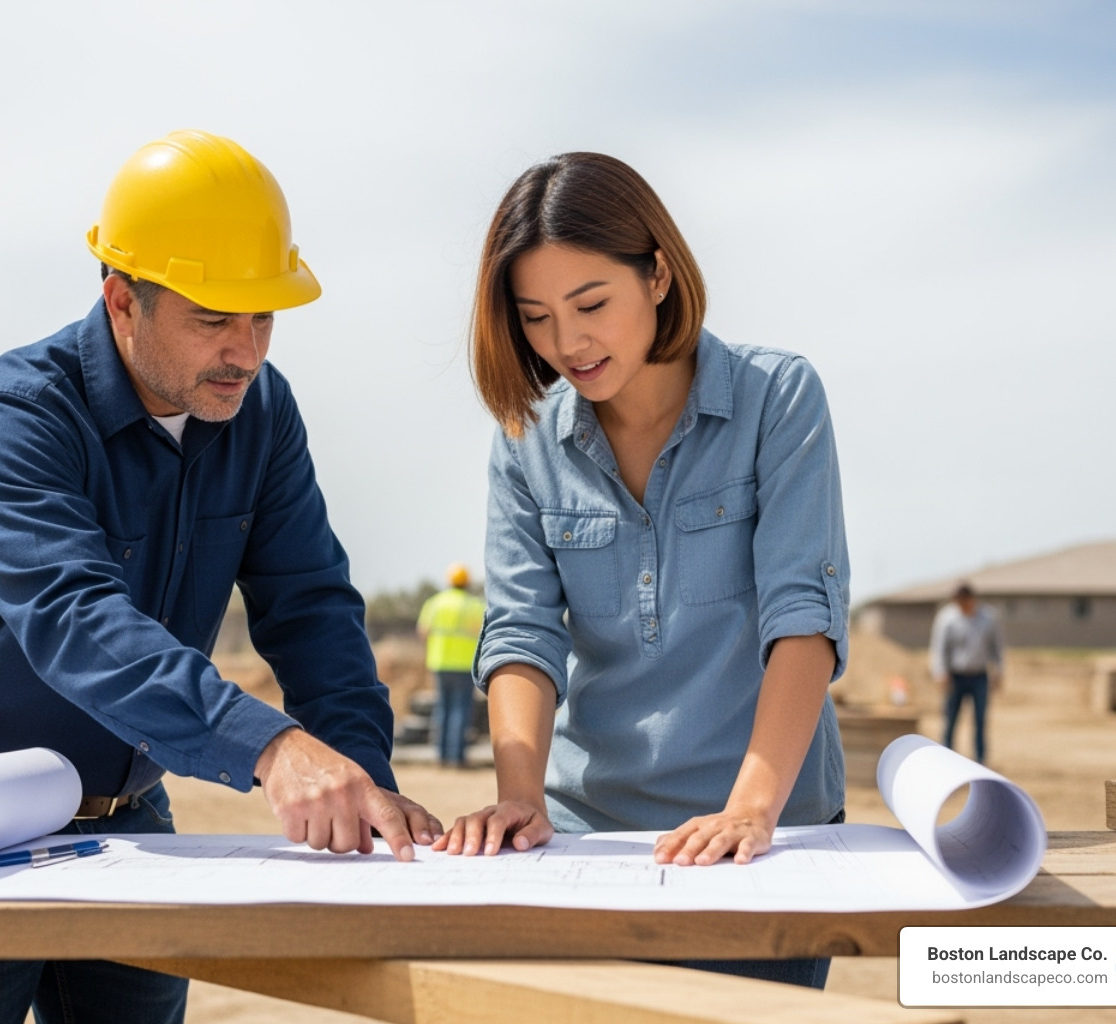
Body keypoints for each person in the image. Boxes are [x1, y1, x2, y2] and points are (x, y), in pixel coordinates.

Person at [0, 130, 439, 1024]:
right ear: (122, 300)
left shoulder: (260, 410)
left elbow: (311, 605)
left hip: (127, 815)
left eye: (263, 317)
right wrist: (270, 746)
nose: (245, 351)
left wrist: (356, 776)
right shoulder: (13, 419)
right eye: (214, 318)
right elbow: (76, 621)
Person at [435, 151, 849, 989]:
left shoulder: (780, 398)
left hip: (766, 837)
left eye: (592, 304)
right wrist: (522, 798)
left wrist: (752, 807)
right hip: (593, 839)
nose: (567, 343)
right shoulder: (524, 438)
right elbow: (521, 628)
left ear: (657, 274)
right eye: (537, 317)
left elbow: (802, 614)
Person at [416, 563, 486, 766]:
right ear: (467, 583)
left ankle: (441, 754)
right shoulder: (474, 605)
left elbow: (423, 631)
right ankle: (457, 757)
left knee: (442, 709)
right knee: (460, 711)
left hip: (439, 662)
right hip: (464, 665)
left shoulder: (435, 603)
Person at [929, 582, 1005, 765]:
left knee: (980, 720)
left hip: (979, 676)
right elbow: (939, 648)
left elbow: (997, 647)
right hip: (955, 676)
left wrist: (999, 672)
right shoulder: (947, 618)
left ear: (972, 599)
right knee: (951, 719)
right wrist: (940, 673)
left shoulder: (988, 618)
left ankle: (980, 760)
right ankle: (946, 759)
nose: (961, 605)